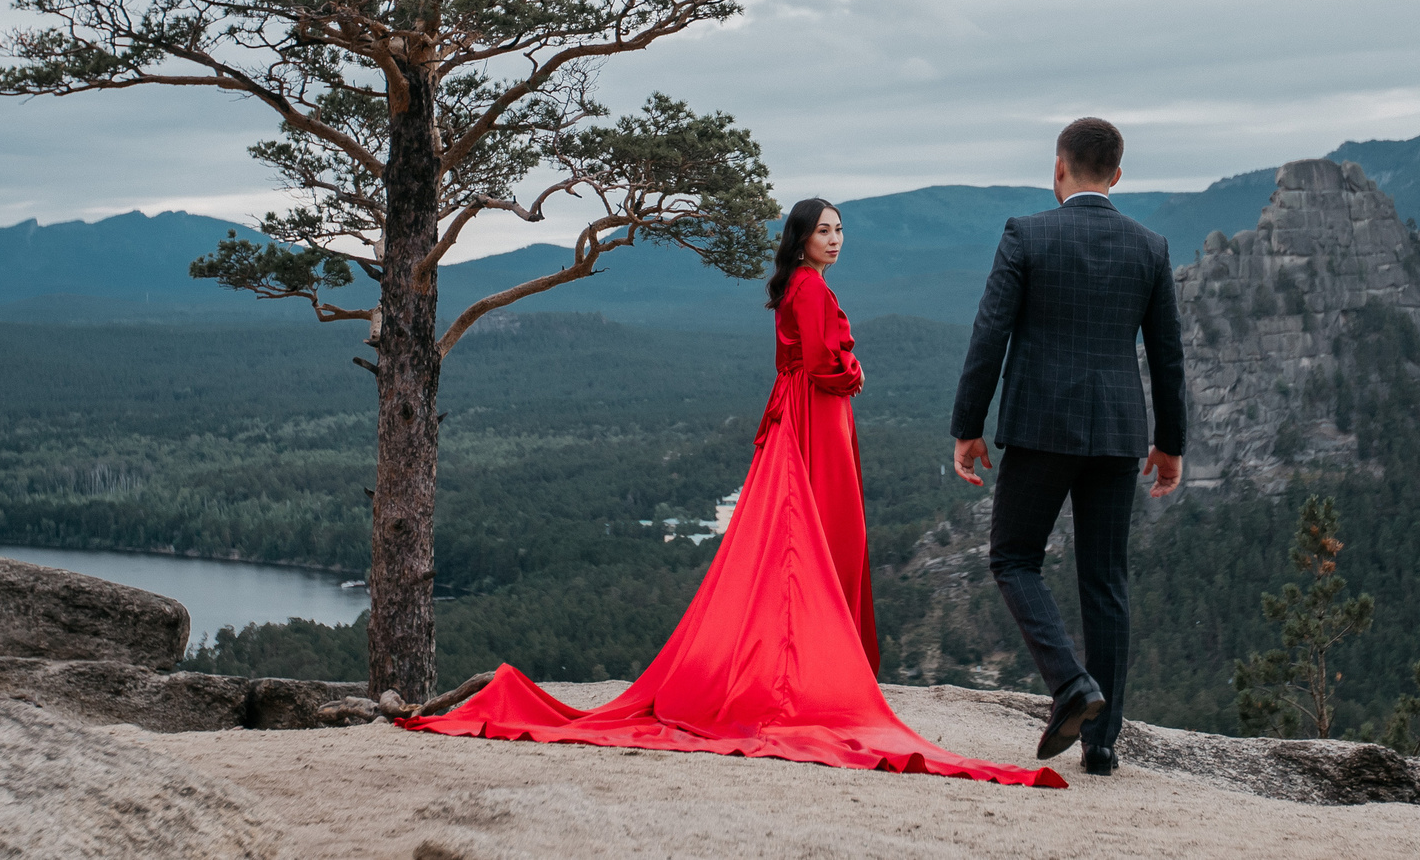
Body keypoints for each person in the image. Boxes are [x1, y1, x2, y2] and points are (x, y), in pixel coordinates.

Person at [402, 198, 1063, 789]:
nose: (834, 239)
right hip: (813, 418)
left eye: (840, 229)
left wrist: (843, 372)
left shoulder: (803, 283)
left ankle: (813, 666)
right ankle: (808, 672)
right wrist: (855, 369)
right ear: (801, 239)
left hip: (809, 414)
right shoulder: (808, 289)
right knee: (819, 538)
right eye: (823, 230)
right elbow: (823, 366)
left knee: (808, 540)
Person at [951, 116, 1187, 775]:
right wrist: (1171, 442)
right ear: (1116, 175)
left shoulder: (1026, 233)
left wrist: (967, 425)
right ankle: (1103, 743)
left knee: (1014, 557)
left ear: (1059, 169)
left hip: (1040, 426)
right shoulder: (1151, 246)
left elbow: (989, 334)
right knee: (1106, 580)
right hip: (1117, 432)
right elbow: (1167, 356)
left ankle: (1072, 685)